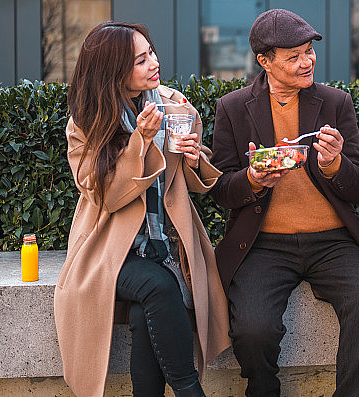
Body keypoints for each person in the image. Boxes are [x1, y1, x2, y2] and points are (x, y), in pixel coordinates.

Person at [210, 9, 359, 396]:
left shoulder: (335, 102)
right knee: (253, 328)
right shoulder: (232, 107)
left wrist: (335, 162)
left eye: (309, 52)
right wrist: (253, 180)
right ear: (264, 61)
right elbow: (221, 188)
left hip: (333, 241)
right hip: (263, 244)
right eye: (293, 57)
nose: (307, 62)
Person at [54, 22, 231, 397]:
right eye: (140, 59)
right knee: (158, 286)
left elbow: (194, 183)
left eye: (151, 52)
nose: (154, 63)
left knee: (143, 311)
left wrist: (196, 157)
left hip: (166, 242)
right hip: (108, 251)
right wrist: (142, 141)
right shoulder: (85, 122)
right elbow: (105, 197)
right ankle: (189, 391)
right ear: (113, 70)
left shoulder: (174, 104)